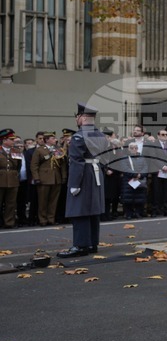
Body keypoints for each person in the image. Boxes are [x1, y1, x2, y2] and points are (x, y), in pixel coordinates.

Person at [58, 103, 109, 258]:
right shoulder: (100, 135)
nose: (76, 119)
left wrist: (74, 184)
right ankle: (92, 243)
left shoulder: (79, 136)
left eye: (77, 116)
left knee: (79, 211)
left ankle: (81, 246)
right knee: (93, 211)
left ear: (83, 117)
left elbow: (76, 162)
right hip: (96, 174)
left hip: (84, 174)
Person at [30, 132, 66, 226]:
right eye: (53, 138)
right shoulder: (40, 150)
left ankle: (51, 218)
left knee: (53, 200)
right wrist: (36, 177)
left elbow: (62, 165)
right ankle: (42, 219)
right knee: (43, 200)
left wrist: (63, 176)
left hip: (56, 178)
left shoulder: (58, 149)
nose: (55, 140)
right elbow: (34, 165)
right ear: (47, 140)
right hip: (44, 178)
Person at [0, 129, 20, 228]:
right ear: (4, 140)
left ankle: (9, 222)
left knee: (11, 203)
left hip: (12, 179)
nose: (13, 141)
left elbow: (19, 166)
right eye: (11, 139)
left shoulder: (15, 151)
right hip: (1, 178)